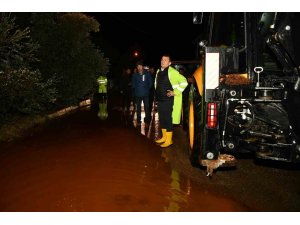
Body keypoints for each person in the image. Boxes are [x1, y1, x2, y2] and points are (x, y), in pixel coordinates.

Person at [155, 54, 188, 147]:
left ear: (169, 63)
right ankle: (164, 137)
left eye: (165, 60)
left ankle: (169, 140)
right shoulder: (158, 71)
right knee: (162, 119)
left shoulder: (172, 71)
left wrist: (175, 92)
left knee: (168, 119)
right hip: (160, 99)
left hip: (168, 100)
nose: (162, 61)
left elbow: (184, 81)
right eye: (162, 59)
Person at [132, 60, 152, 126]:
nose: (139, 68)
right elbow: (133, 84)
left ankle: (147, 120)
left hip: (145, 94)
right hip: (138, 94)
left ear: (142, 66)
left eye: (140, 66)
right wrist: (136, 89)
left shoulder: (147, 74)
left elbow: (150, 83)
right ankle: (138, 120)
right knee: (138, 108)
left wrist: (147, 88)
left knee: (147, 107)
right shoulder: (135, 75)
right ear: (137, 67)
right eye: (138, 66)